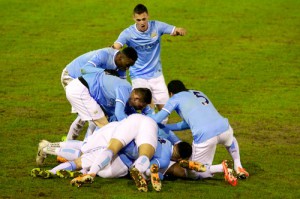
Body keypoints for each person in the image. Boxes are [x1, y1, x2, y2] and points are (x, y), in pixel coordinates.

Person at [148, 80, 249, 186]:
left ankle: (221, 167)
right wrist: (167, 127)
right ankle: (238, 166)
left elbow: (158, 118)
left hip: (205, 136)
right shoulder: (197, 92)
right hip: (224, 128)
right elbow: (187, 124)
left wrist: (146, 118)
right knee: (230, 140)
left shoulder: (175, 98)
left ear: (171, 93)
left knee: (194, 172)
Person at [31, 131, 193, 192]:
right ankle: (80, 172)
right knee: (87, 161)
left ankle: (48, 149)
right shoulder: (165, 159)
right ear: (179, 158)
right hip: (122, 159)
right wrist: (161, 177)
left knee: (84, 150)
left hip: (117, 137)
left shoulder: (163, 138)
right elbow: (146, 169)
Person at [112, 4, 186, 113]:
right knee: (147, 108)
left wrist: (179, 31)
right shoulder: (128, 33)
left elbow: (173, 29)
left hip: (156, 74)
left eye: (144, 19)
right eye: (138, 20)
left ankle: (158, 127)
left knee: (165, 110)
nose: (142, 22)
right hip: (138, 75)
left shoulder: (157, 26)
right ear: (134, 19)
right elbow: (116, 46)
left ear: (148, 16)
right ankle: (148, 127)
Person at [61, 47, 138, 140]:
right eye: (127, 64)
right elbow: (84, 69)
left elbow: (122, 88)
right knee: (88, 115)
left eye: (130, 66)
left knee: (95, 113)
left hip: (89, 83)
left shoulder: (121, 68)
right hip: (72, 76)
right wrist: (105, 72)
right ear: (120, 58)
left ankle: (77, 144)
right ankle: (71, 144)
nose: (127, 68)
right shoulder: (105, 54)